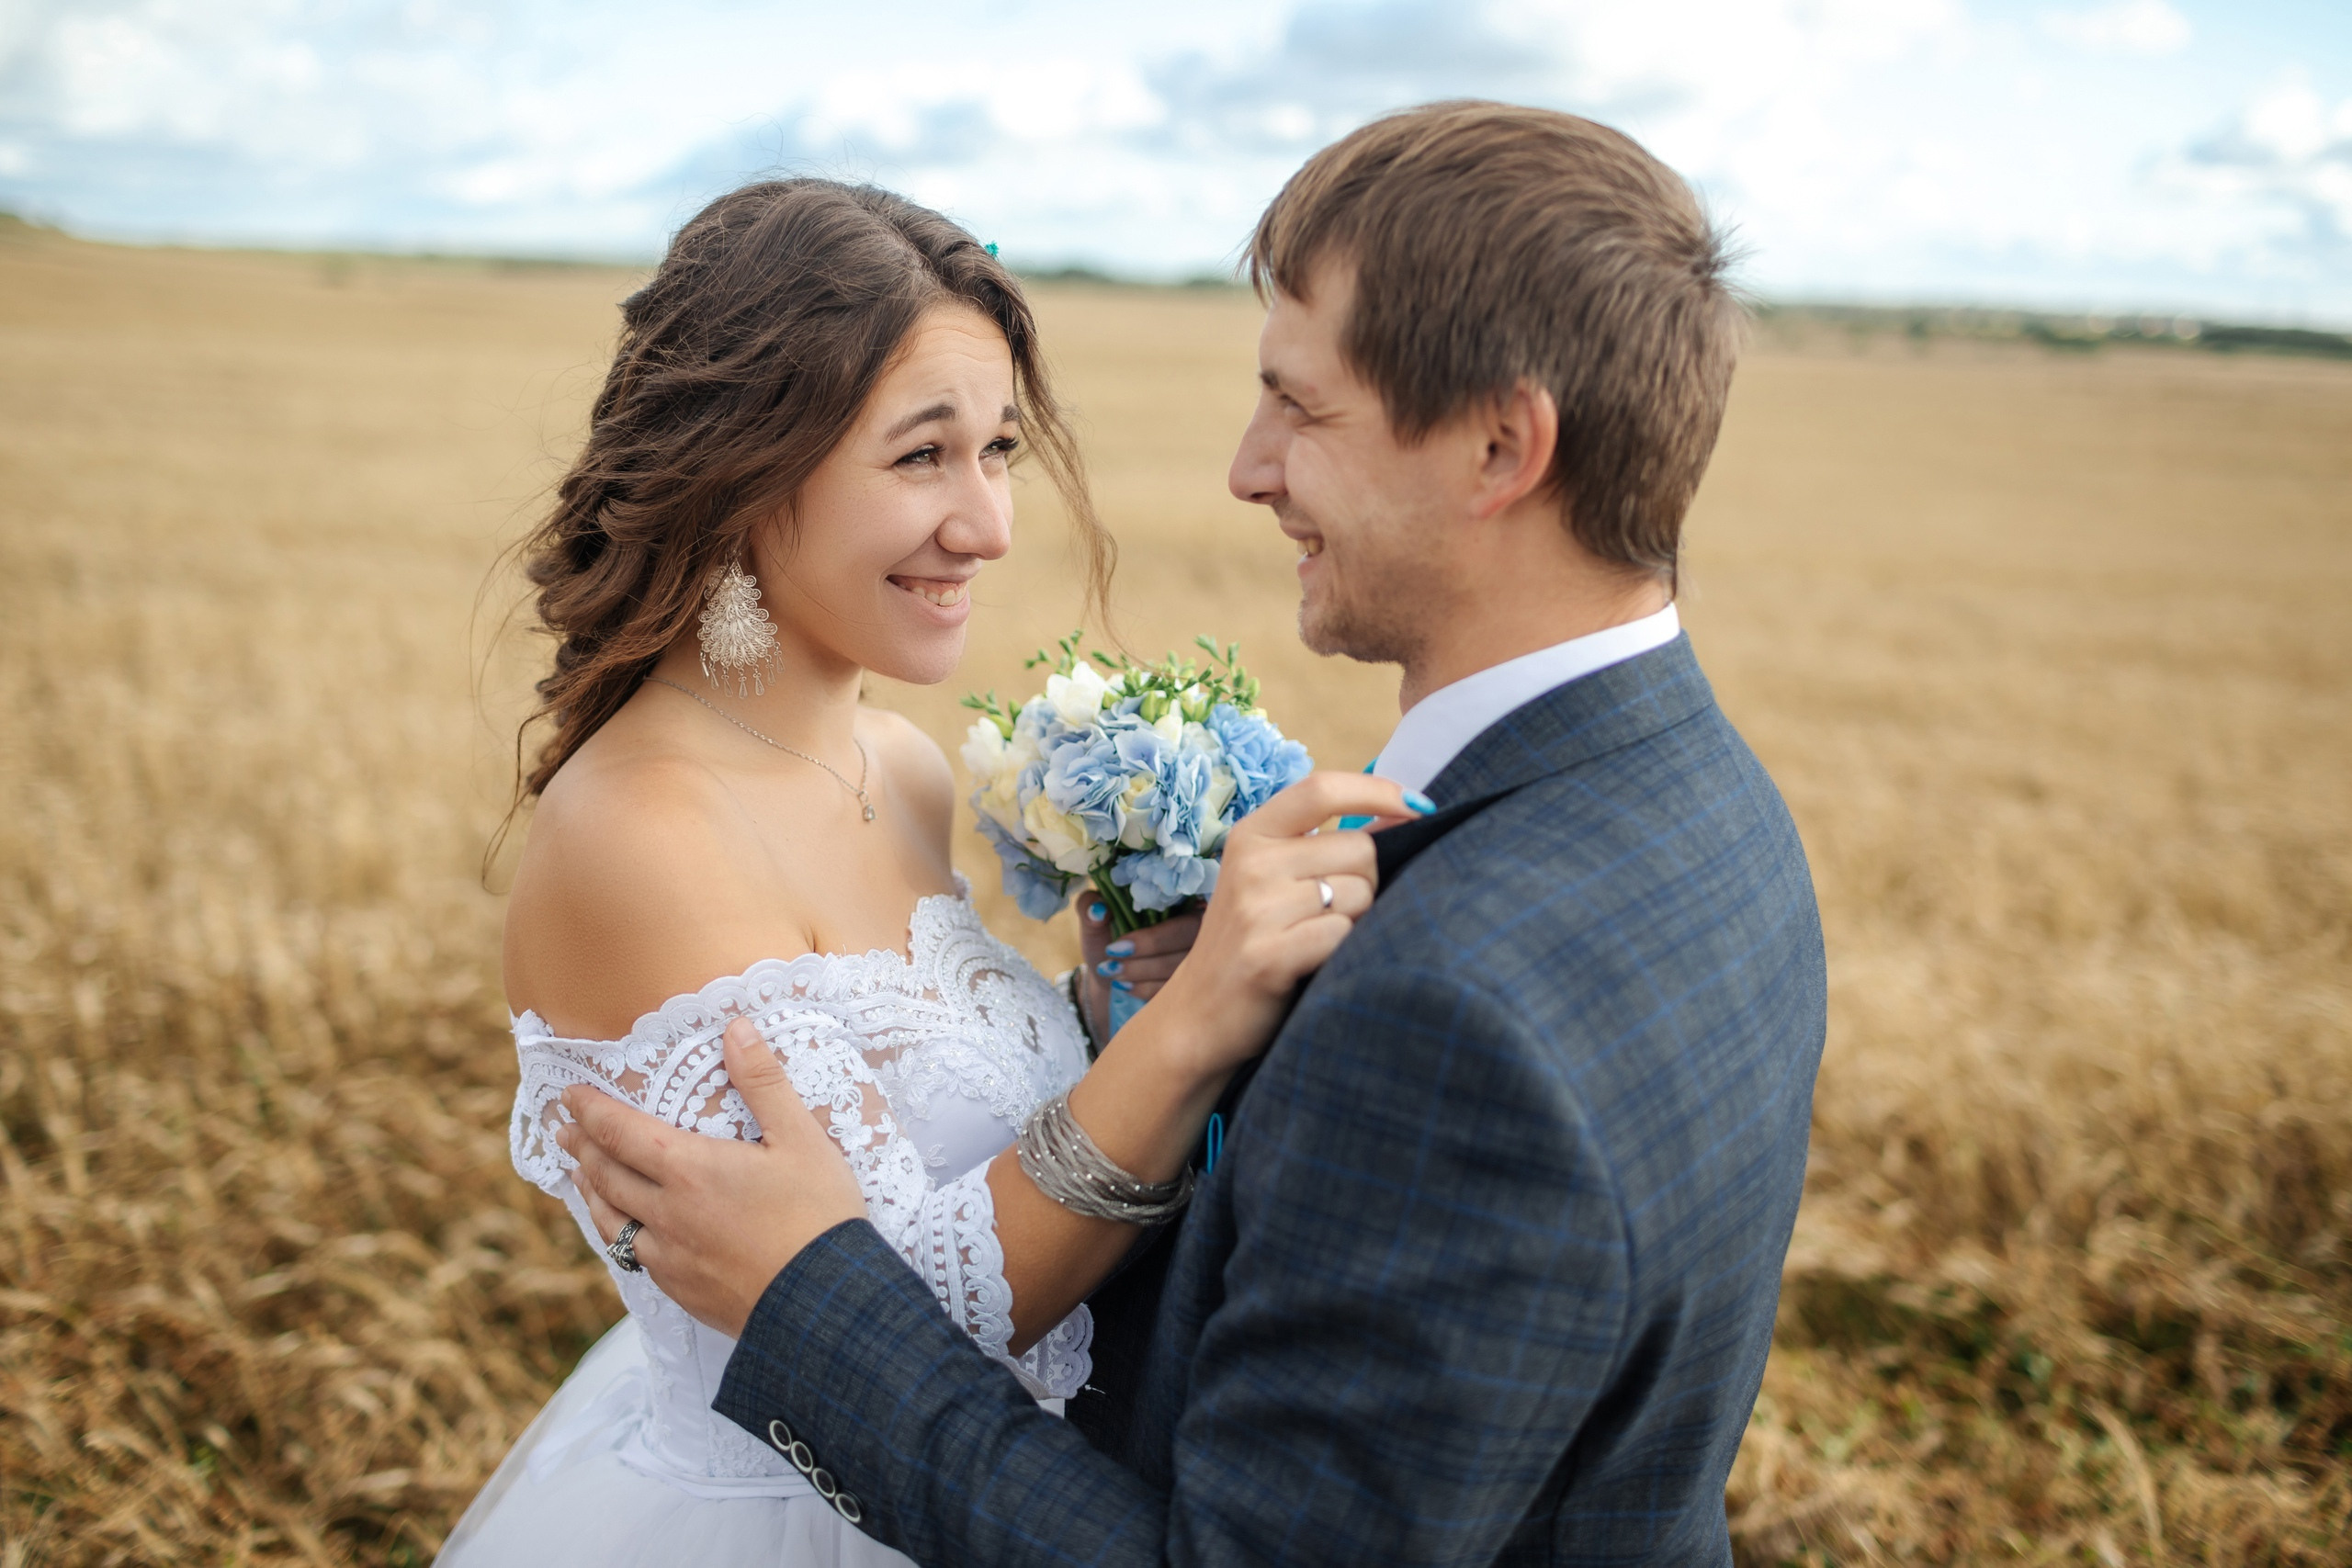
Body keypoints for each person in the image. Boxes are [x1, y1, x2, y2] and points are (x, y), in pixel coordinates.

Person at [560, 102, 1830, 1566]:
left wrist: (807, 1301)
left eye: (1301, 404)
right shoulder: (1713, 816)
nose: (1247, 466)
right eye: (927, 455)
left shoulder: (1456, 1009)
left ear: (1499, 446)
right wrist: (1153, 1020)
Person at [435, 178, 1419, 1566]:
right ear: (742, 467)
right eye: (921, 458)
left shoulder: (900, 765)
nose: (988, 525)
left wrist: (1113, 1006)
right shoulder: (638, 835)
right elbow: (867, 1321)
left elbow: (930, 1127)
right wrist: (1202, 1024)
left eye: (998, 450)